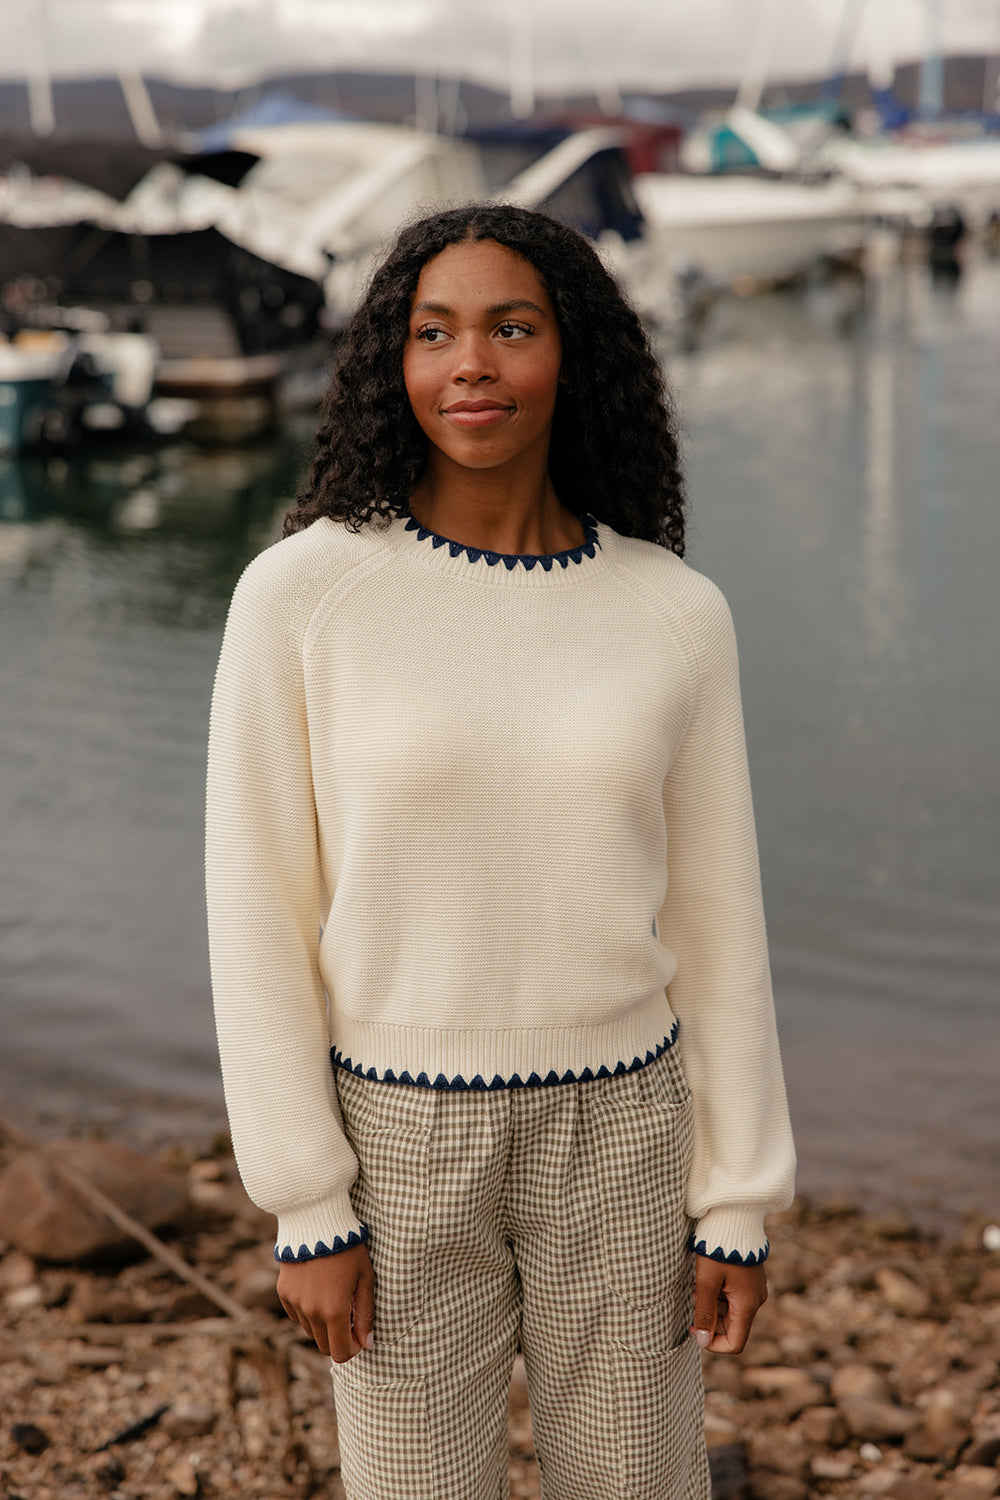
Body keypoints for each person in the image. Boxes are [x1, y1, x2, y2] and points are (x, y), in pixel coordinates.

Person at [206, 203, 796, 1500]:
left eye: (510, 329)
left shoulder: (674, 613)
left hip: (630, 1129)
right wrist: (306, 1200)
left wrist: (738, 1199)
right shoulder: (301, 596)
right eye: (434, 333)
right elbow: (259, 912)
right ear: (392, 365)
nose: (470, 363)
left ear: (570, 356)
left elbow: (718, 920)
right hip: (398, 1141)